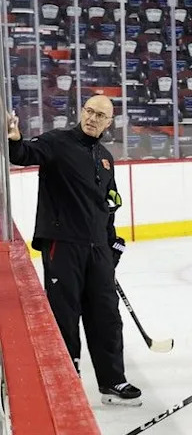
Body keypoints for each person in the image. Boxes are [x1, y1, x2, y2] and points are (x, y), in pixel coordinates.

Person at [6, 96, 141, 406]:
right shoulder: (57, 142)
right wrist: (14, 139)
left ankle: (113, 380)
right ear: (82, 112)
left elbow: (107, 204)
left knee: (106, 315)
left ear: (110, 123)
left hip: (98, 250)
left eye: (101, 115)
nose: (93, 118)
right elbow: (25, 152)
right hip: (62, 244)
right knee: (64, 314)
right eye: (89, 111)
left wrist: (112, 243)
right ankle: (68, 379)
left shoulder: (106, 158)